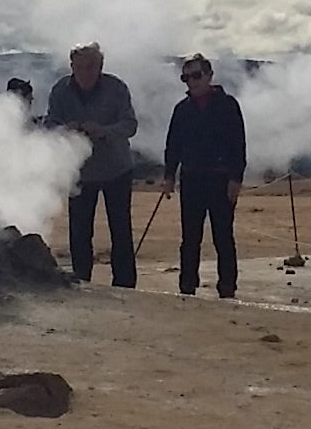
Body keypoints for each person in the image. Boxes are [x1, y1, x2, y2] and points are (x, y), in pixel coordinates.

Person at [40, 44, 141, 288]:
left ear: (100, 67)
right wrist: (67, 129)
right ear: (72, 67)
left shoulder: (116, 88)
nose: (86, 72)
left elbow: (130, 125)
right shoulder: (61, 90)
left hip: (116, 169)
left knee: (121, 229)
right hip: (79, 172)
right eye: (80, 67)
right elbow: (50, 122)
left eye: (91, 67)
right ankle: (81, 282)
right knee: (80, 231)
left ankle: (125, 285)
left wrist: (103, 132)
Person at [162, 54, 248, 298]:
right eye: (186, 77)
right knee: (190, 237)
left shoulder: (228, 105)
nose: (191, 81)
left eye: (196, 75)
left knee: (223, 236)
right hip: (191, 180)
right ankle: (187, 285)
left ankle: (227, 287)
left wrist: (236, 179)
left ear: (209, 76)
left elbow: (238, 144)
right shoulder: (182, 109)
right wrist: (169, 175)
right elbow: (173, 145)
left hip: (220, 180)